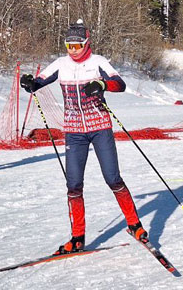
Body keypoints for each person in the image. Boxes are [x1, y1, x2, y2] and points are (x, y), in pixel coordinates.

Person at [20, 20, 146, 255]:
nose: (73, 50)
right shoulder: (61, 64)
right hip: (74, 132)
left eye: (77, 46)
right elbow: (39, 82)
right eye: (69, 45)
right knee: (73, 185)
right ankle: (77, 237)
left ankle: (134, 225)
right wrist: (29, 82)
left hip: (100, 127)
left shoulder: (97, 62)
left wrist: (101, 84)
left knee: (113, 178)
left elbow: (120, 84)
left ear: (86, 43)